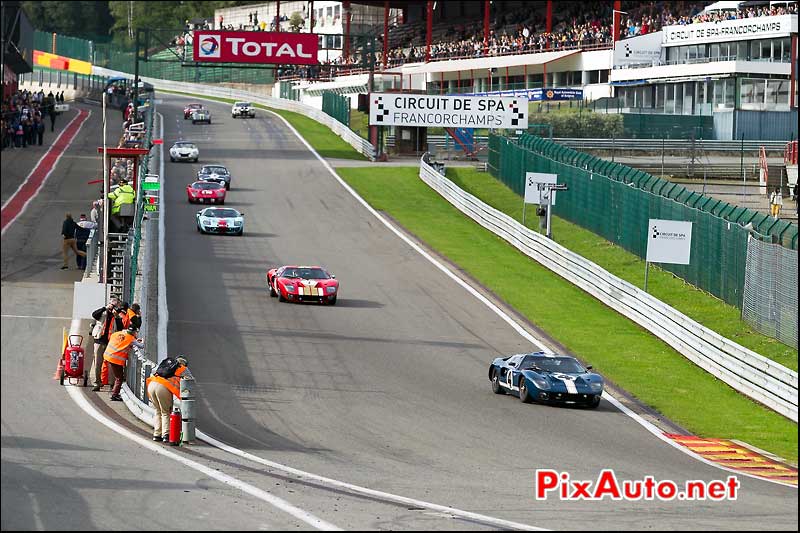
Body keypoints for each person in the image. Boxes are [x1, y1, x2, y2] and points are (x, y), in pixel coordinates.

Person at [146, 356, 188, 441]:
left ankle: (157, 434)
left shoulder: (167, 365)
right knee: (166, 412)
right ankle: (166, 434)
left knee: (158, 411)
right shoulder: (182, 368)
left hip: (152, 384)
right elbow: (190, 381)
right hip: (163, 387)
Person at [90, 298, 124, 391]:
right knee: (97, 363)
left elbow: (120, 328)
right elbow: (94, 314)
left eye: (115, 306)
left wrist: (116, 316)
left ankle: (112, 384)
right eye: (112, 305)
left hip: (111, 343)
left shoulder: (118, 316)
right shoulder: (103, 312)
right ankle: (97, 383)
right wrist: (105, 308)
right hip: (99, 340)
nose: (113, 308)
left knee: (111, 364)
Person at [103, 325, 143, 401]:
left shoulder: (117, 333)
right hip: (116, 360)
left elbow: (120, 342)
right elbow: (141, 346)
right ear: (134, 332)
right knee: (119, 378)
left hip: (108, 355)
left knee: (117, 377)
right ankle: (114, 395)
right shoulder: (131, 339)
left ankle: (114, 393)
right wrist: (141, 341)